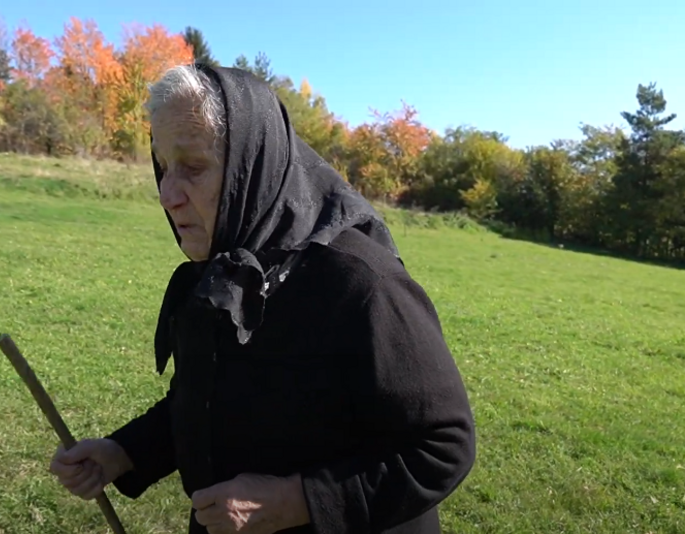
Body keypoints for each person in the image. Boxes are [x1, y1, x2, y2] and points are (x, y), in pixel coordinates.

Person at [49, 63, 476, 534]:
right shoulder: (221, 269)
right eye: (162, 166)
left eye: (193, 167)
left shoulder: (361, 283)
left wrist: (302, 500)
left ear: (252, 166)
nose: (168, 194)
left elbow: (443, 444)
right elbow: (210, 401)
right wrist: (124, 452)